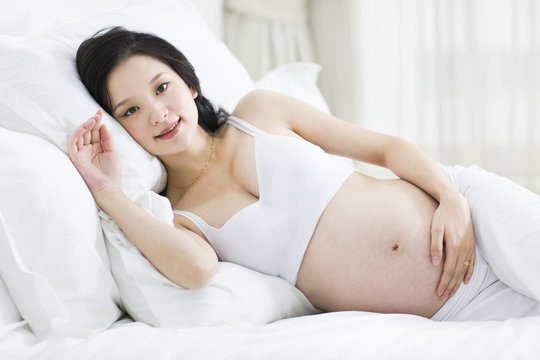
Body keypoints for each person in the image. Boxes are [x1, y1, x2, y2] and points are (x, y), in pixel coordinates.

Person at [69, 27, 540, 321]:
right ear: (118, 125)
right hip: (452, 306)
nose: (157, 113)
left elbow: (384, 147)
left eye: (162, 87)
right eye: (131, 109)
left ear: (189, 83)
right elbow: (195, 272)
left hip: (473, 216)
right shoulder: (181, 216)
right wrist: (108, 191)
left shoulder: (259, 111)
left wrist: (452, 200)